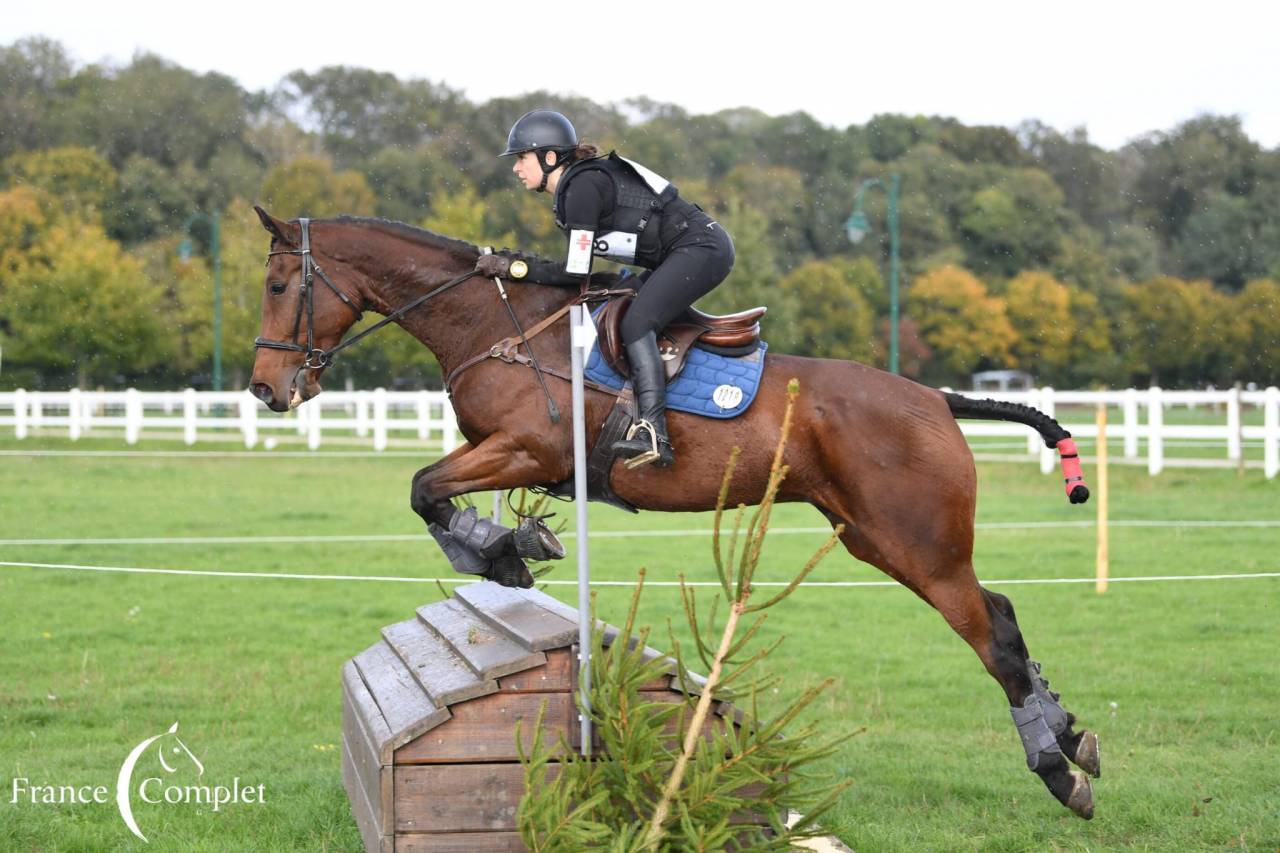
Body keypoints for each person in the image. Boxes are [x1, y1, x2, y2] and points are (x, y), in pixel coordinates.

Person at [474, 109, 735, 468]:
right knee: (619, 311)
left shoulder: (581, 187)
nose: (517, 169)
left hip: (701, 249)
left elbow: (575, 270)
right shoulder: (575, 187)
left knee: (636, 323)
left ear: (550, 157)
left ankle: (652, 431)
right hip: (685, 251)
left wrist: (514, 267)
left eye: (521, 158)